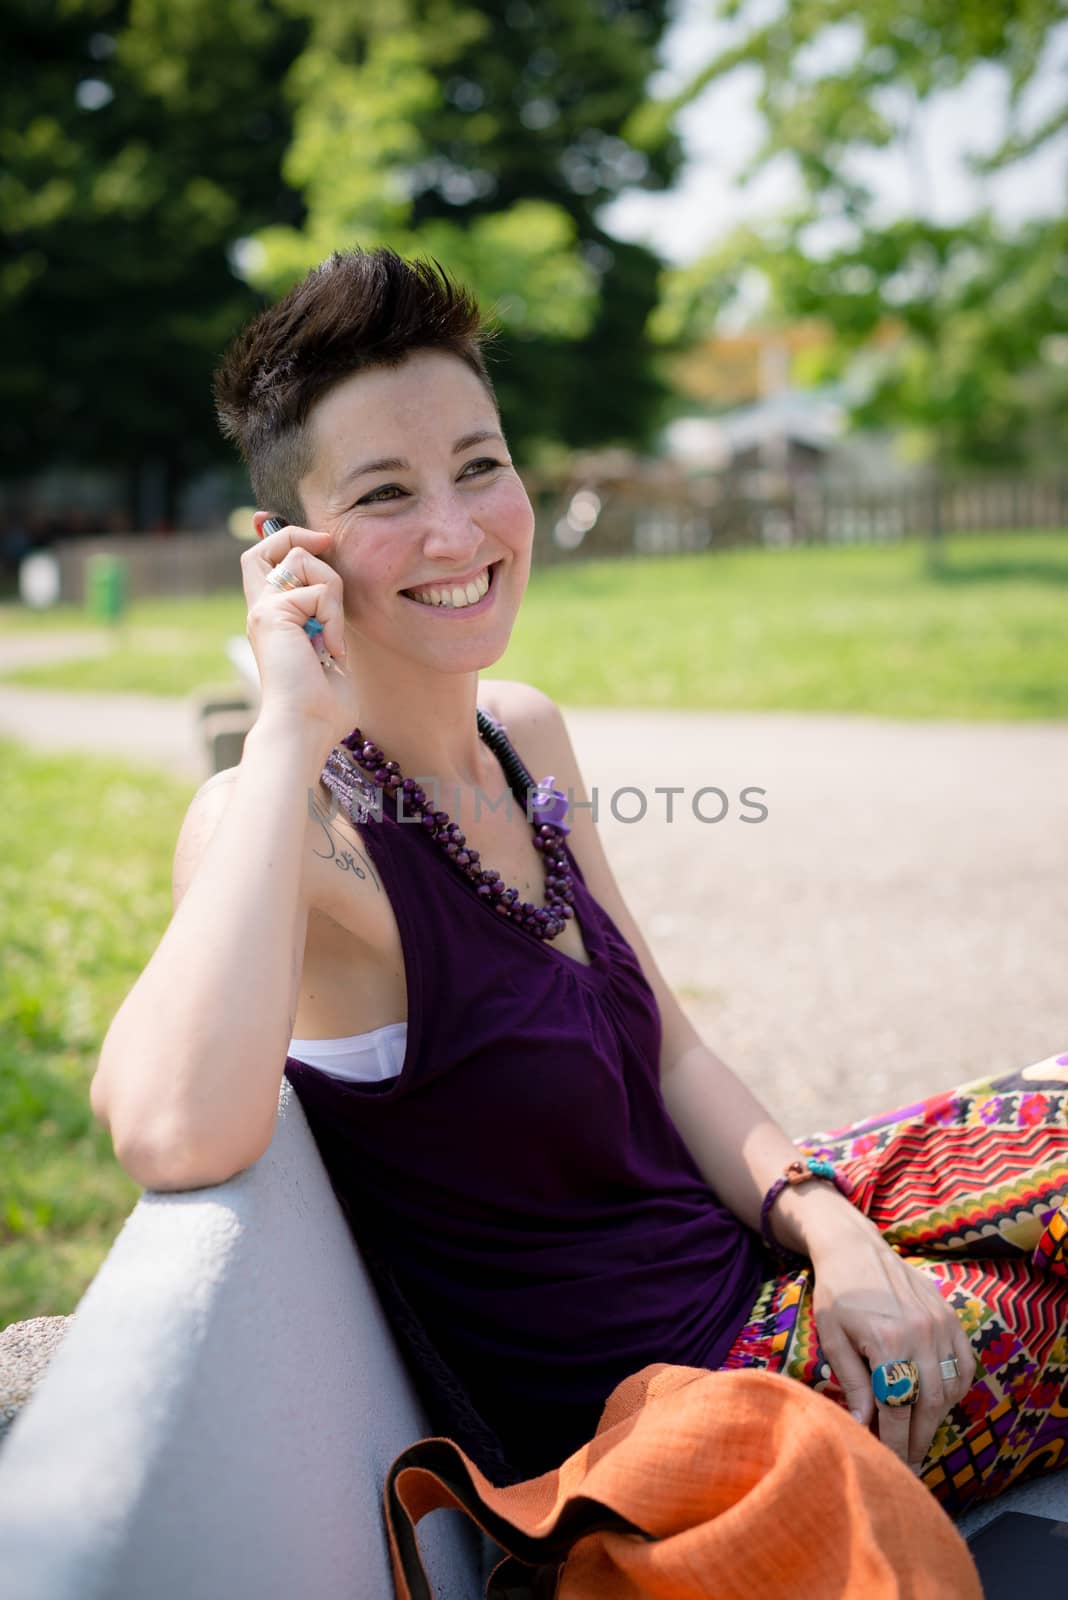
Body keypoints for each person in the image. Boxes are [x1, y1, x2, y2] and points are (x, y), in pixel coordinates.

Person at [90, 247, 1068, 1519]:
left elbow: (670, 1049)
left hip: (747, 1257)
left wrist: (830, 1226)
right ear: (292, 555)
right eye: (386, 493)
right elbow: (168, 1126)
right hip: (687, 1409)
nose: (458, 531)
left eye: (480, 465)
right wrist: (288, 727)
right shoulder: (290, 825)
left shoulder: (524, 734)